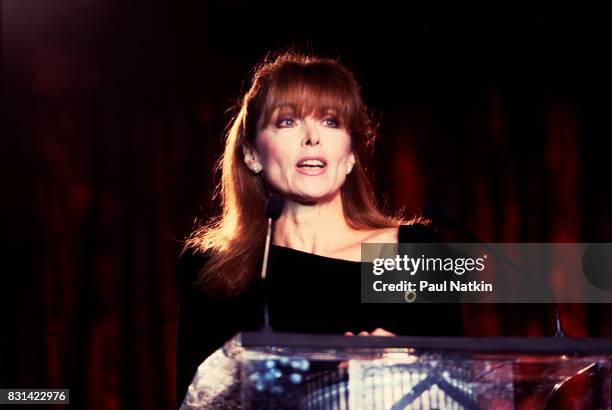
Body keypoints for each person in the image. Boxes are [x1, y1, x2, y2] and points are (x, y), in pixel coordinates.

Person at [176, 52, 463, 406]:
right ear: (251, 153)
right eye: (287, 122)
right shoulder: (216, 272)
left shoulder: (413, 252)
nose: (312, 138)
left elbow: (460, 389)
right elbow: (196, 401)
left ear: (352, 153)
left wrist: (409, 368)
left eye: (330, 122)